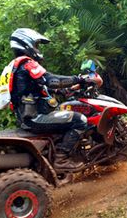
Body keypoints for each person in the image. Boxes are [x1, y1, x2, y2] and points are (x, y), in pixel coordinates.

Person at [9, 28, 89, 170]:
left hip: (26, 118)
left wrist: (67, 90)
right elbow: (51, 80)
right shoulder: (27, 63)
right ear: (26, 44)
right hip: (37, 117)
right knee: (80, 120)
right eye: (36, 45)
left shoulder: (15, 67)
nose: (37, 48)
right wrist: (79, 79)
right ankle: (61, 158)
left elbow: (42, 88)